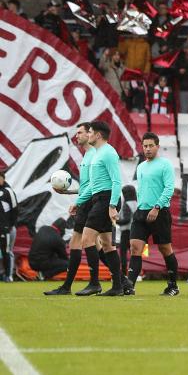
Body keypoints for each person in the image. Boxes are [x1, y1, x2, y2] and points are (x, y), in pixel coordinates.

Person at [45, 122, 102, 296]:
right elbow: (86, 186)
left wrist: (79, 202)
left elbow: (93, 185)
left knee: (84, 242)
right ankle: (120, 281)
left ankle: (80, 285)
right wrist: (68, 192)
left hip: (91, 203)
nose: (77, 136)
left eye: (80, 133)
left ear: (89, 134)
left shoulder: (93, 155)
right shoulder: (87, 155)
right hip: (88, 202)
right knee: (97, 244)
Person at [125, 133, 178, 296]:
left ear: (157, 147)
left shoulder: (165, 165)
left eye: (150, 146)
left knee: (165, 248)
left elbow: (169, 189)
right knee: (135, 247)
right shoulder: (140, 166)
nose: (147, 149)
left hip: (159, 212)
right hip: (141, 213)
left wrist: (156, 207)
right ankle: (129, 286)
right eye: (145, 146)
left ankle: (173, 286)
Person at [80, 121, 125, 296]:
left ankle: (94, 283)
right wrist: (79, 202)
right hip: (100, 198)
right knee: (107, 245)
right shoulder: (98, 154)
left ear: (98, 135)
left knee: (87, 239)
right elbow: (93, 186)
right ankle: (118, 287)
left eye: (90, 132)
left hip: (107, 200)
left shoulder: (108, 153)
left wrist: (112, 206)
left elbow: (116, 181)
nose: (88, 135)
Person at [0, 170, 18, 282]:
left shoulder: (8, 191)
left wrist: (10, 225)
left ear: (3, 178)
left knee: (7, 251)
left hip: (6, 228)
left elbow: (15, 209)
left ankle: (9, 275)